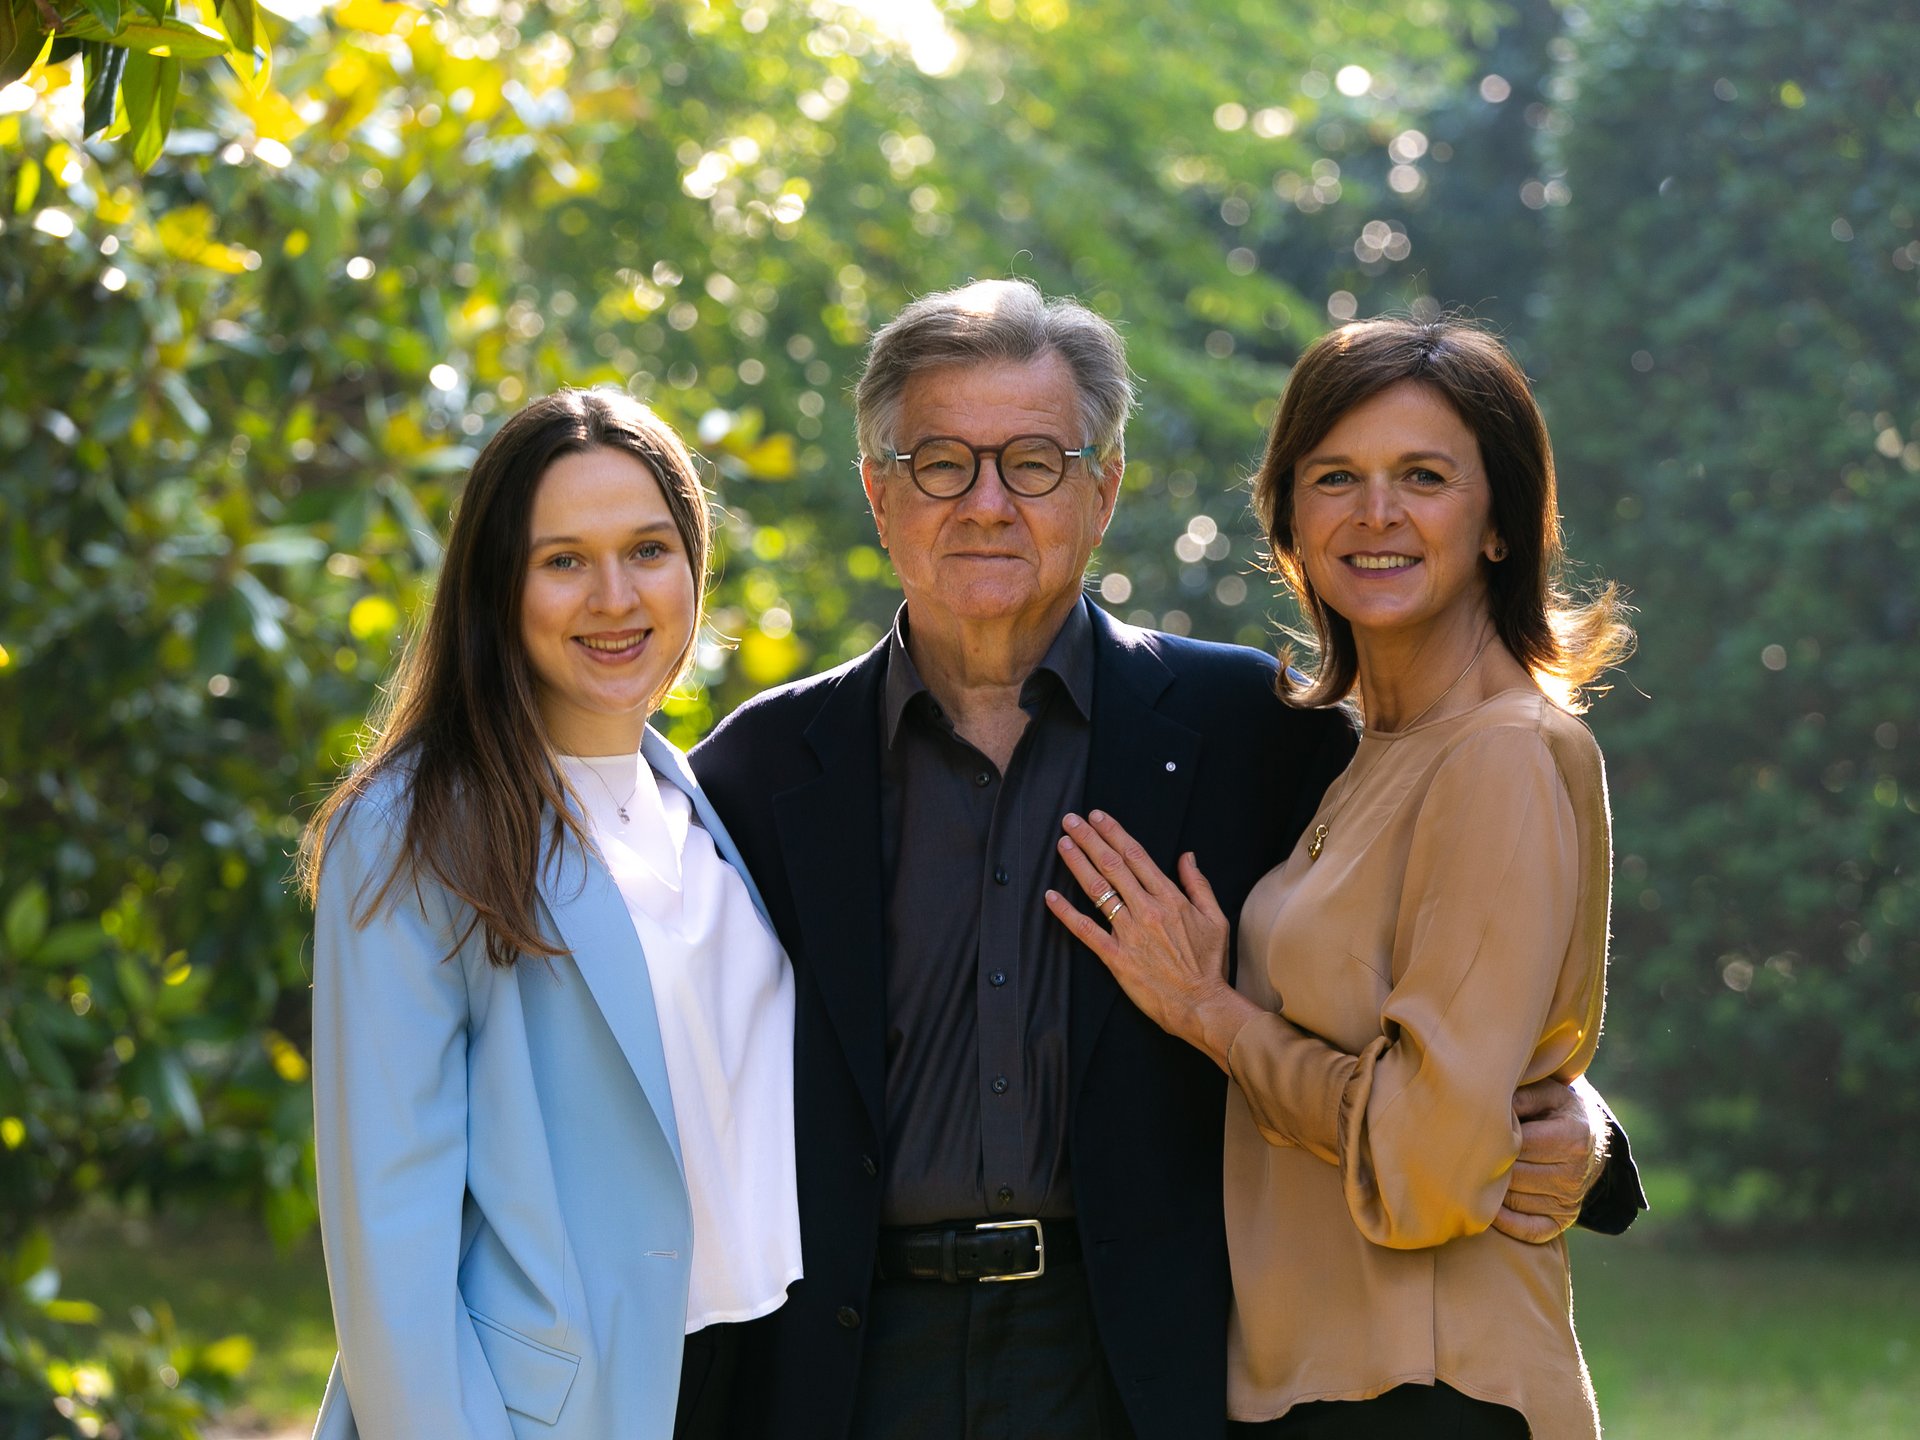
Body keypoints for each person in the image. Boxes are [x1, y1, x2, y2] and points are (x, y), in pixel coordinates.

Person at [690, 280, 1644, 1440]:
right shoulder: (758, 770)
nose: (988, 504)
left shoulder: (1252, 727)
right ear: (879, 495)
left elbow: (1434, 944)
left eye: (1036, 462)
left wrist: (1579, 1128)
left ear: (1104, 492)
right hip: (854, 1362)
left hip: (1149, 1360)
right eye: (941, 462)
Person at [1047, 317, 1634, 1437]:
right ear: (1291, 521)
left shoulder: (1499, 751)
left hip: (1427, 1390)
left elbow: (1427, 1164)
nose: (1377, 515)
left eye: (1424, 477)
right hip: (1322, 1383)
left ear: (1502, 521)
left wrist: (1211, 1015)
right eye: (1336, 478)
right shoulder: (1370, 750)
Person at [300, 389, 800, 1440]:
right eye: (564, 559)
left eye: (649, 550)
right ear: (499, 587)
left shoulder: (695, 801)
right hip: (552, 1408)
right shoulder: (414, 826)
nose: (615, 597)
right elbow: (388, 1227)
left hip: (755, 1373)